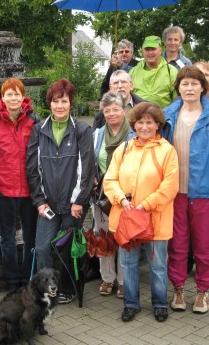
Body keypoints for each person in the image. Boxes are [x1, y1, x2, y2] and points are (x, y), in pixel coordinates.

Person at [162, 66, 209, 314]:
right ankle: (178, 289)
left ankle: (203, 291)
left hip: (204, 194)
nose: (189, 88)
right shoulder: (168, 115)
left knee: (204, 246)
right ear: (178, 88)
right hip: (175, 194)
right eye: (184, 84)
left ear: (202, 87)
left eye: (194, 83)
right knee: (177, 245)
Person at [104, 102, 179, 322]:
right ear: (134, 125)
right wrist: (120, 199)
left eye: (150, 122)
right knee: (128, 264)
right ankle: (130, 303)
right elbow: (110, 179)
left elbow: (170, 185)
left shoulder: (167, 150)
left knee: (157, 265)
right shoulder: (124, 148)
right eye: (140, 122)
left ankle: (160, 303)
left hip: (155, 218)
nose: (144, 127)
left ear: (158, 125)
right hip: (127, 218)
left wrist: (147, 204)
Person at [26, 78, 95, 304]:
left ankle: (68, 288)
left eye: (64, 101)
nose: (60, 106)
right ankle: (47, 287)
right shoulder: (39, 130)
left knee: (67, 250)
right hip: (48, 204)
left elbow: (86, 168)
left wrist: (79, 201)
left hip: (72, 204)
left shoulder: (82, 130)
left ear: (71, 103)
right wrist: (39, 201)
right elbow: (32, 168)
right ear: (50, 104)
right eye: (55, 101)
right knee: (43, 246)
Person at [0, 79, 39, 290]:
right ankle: (11, 280)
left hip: (29, 190)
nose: (13, 98)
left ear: (23, 96)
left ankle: (28, 278)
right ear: (3, 98)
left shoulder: (34, 121)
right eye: (9, 94)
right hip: (4, 189)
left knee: (30, 238)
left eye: (17, 94)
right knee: (7, 237)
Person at [92, 92, 134, 299]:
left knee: (123, 238)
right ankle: (107, 278)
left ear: (124, 110)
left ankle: (124, 281)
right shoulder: (98, 134)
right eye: (107, 110)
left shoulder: (133, 135)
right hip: (102, 196)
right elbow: (92, 160)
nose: (111, 114)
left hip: (125, 196)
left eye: (115, 109)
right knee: (104, 237)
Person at [130, 36, 178, 108]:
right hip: (138, 118)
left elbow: (177, 100)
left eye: (153, 49)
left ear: (160, 50)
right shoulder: (133, 72)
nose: (150, 52)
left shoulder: (171, 72)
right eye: (147, 49)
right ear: (143, 51)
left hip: (164, 118)